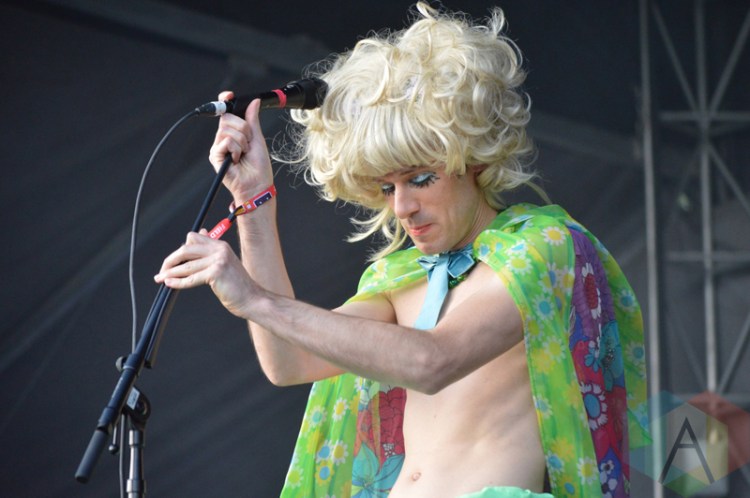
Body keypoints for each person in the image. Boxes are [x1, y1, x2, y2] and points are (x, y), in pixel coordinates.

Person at [155, 3, 649, 497]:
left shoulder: (543, 246)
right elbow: (288, 361)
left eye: (420, 179)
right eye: (387, 188)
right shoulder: (399, 278)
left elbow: (433, 362)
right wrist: (253, 201)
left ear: (473, 161)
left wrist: (254, 297)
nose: (403, 207)